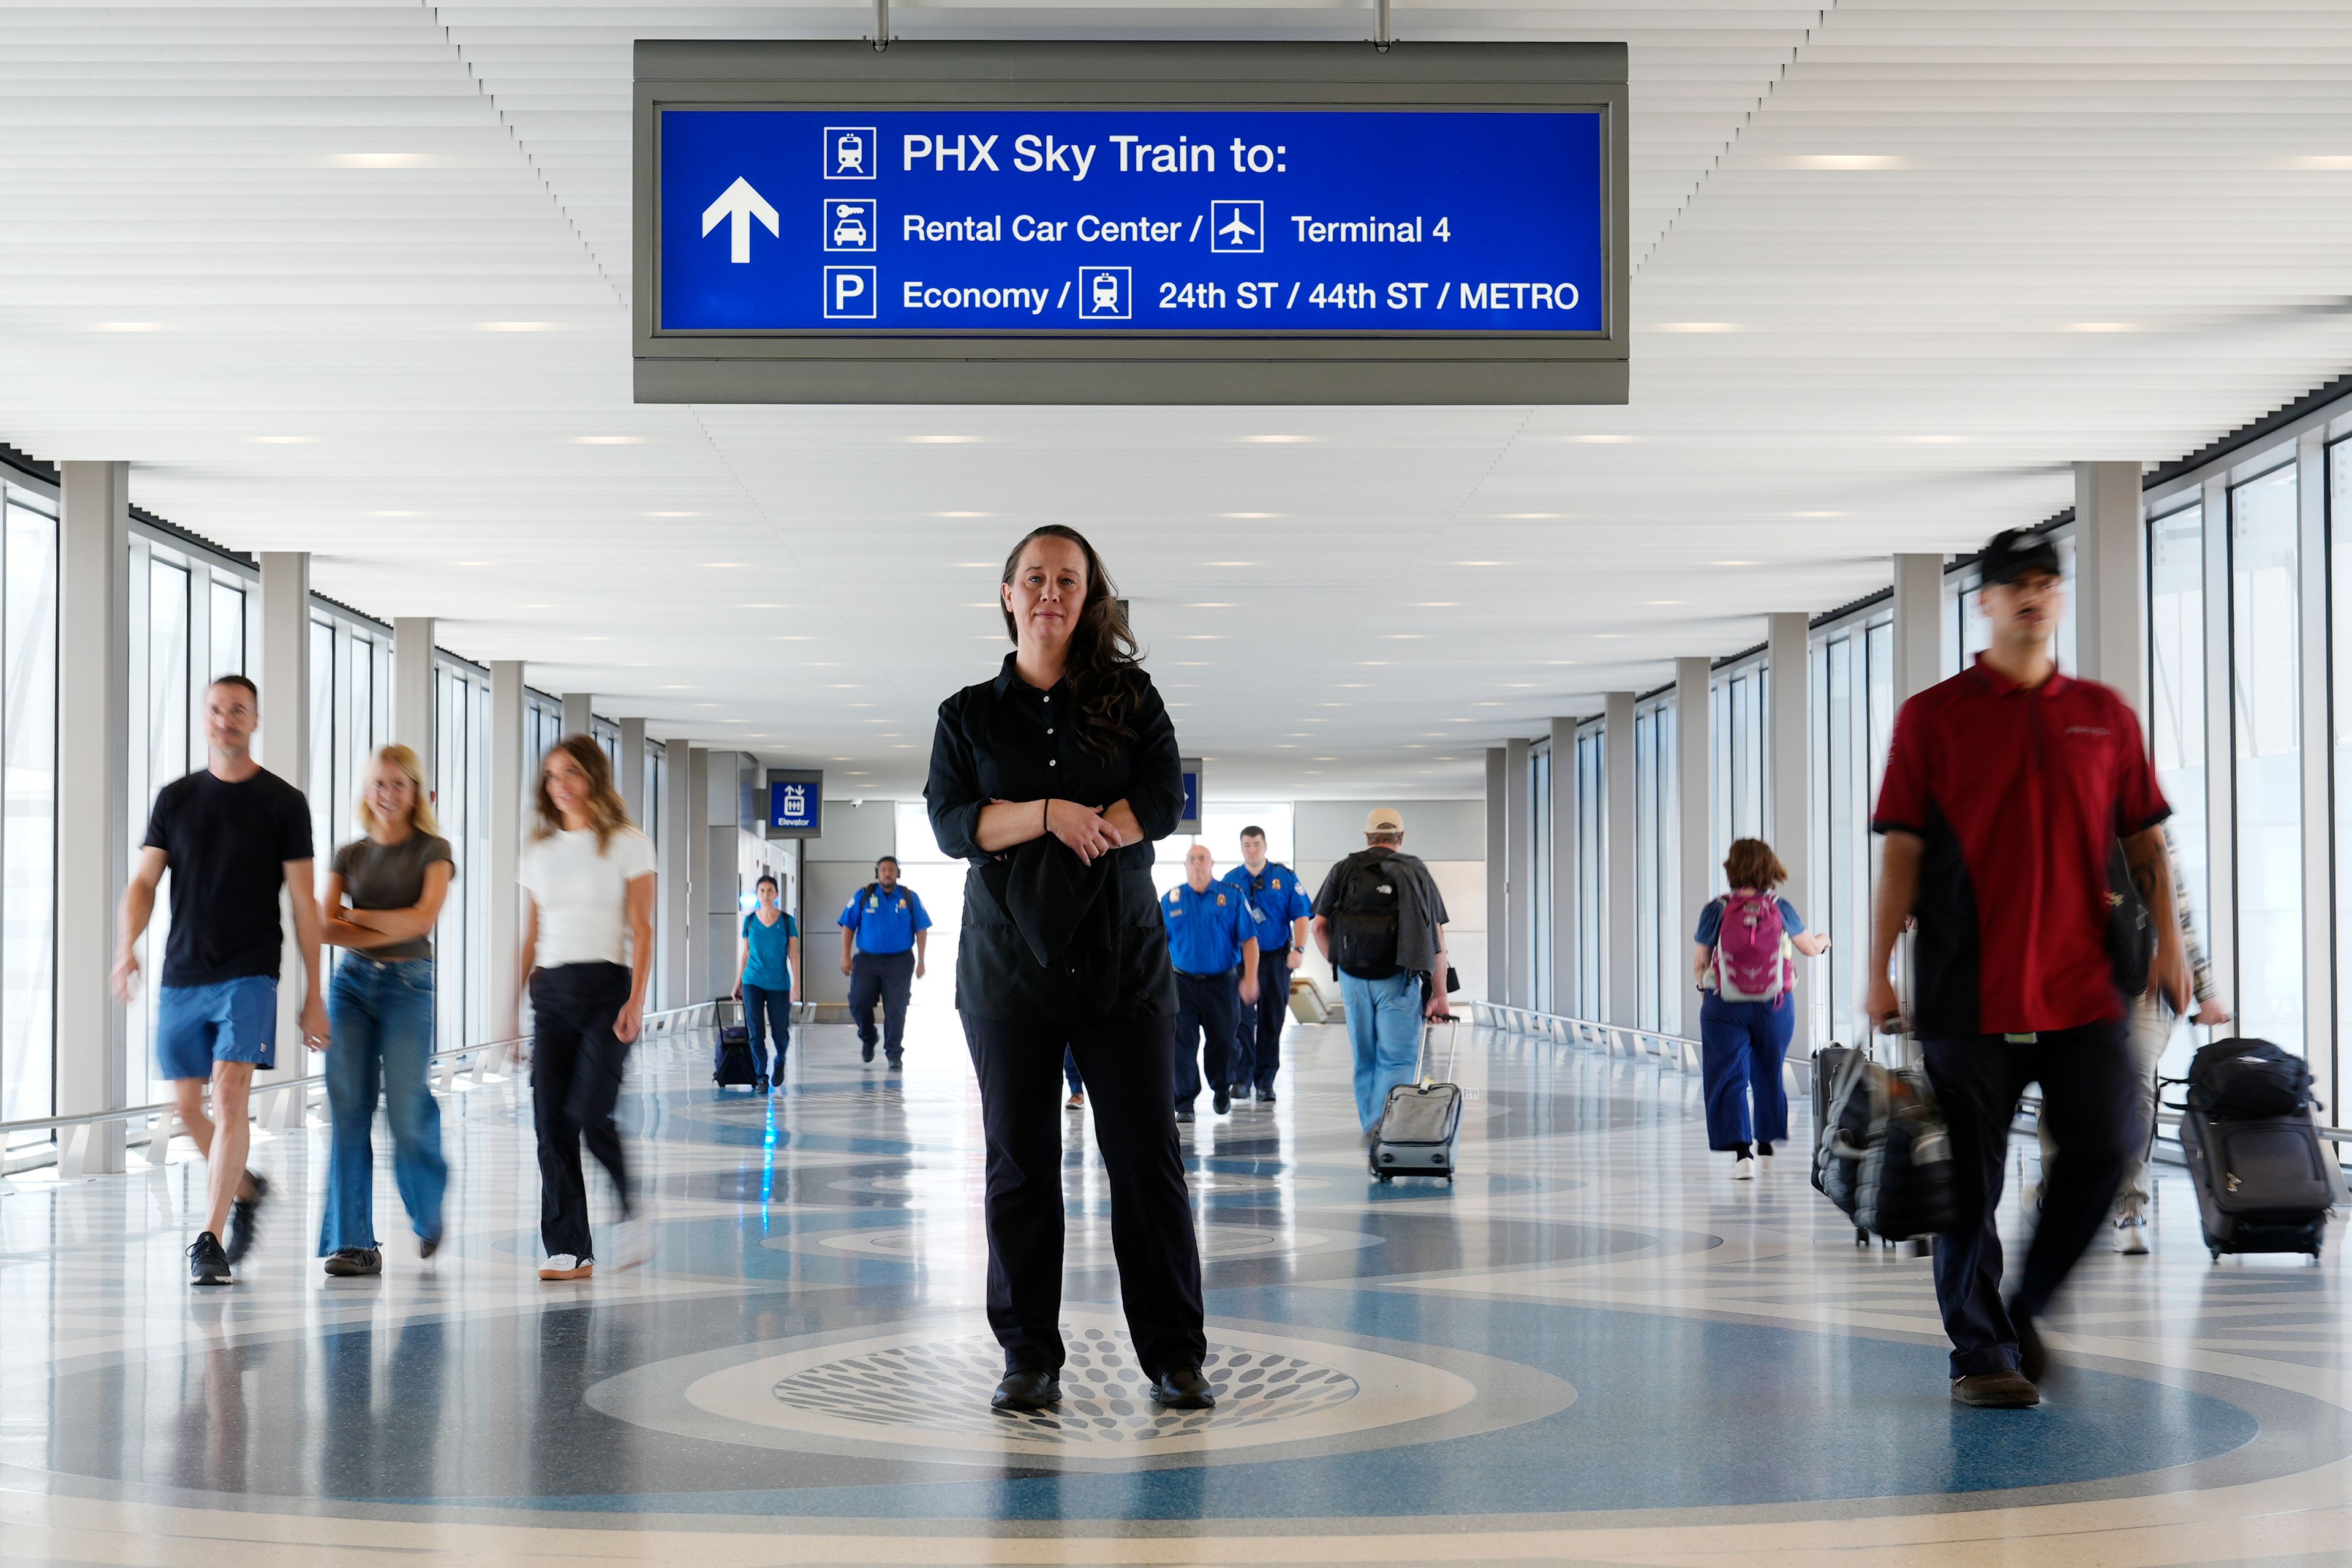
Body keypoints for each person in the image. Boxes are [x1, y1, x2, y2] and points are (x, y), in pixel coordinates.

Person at [1868, 527, 2185, 1410]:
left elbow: (2144, 837)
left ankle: (2027, 1305)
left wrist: (2167, 945)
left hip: (2085, 990)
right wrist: (1877, 969)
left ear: (2058, 597)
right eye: (2016, 585)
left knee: (2112, 1142)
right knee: (1967, 1186)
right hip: (1965, 992)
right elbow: (1901, 851)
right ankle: (1982, 1354)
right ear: (1987, 602)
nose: (2033, 597)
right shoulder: (1933, 716)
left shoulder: (2105, 715)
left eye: (2047, 582)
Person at [925, 523, 1211, 1415]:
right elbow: (951, 824)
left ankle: (1175, 1356)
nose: (1051, 592)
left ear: (1088, 598)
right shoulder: (966, 714)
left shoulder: (1131, 697)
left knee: (1145, 1158)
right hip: (1008, 971)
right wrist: (1052, 812)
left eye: (1069, 580)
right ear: (1007, 595)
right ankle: (1028, 1357)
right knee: (1019, 1166)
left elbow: (1163, 800)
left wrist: (1086, 823)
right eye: (1035, 578)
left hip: (1122, 965)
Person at [114, 674, 327, 1287]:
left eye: (238, 710)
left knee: (229, 1095)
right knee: (185, 1106)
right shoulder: (176, 798)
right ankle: (250, 1188)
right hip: (183, 971)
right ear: (204, 718)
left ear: (254, 719)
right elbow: (145, 882)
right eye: (216, 710)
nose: (226, 720)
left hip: (251, 970)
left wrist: (313, 993)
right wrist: (125, 946)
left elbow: (306, 902)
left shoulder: (283, 802)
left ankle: (209, 1237)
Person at [2035, 825, 2229, 1254]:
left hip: (2145, 982)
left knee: (2136, 1077)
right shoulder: (2057, 822)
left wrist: (2205, 990)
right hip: (2075, 982)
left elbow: (2179, 913)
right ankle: (2059, 1191)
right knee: (2064, 1084)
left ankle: (2130, 1206)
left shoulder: (2148, 829)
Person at [512, 735, 658, 1283]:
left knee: (590, 1113)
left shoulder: (628, 844)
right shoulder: (538, 850)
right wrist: (512, 1009)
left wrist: (636, 1000)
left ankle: (632, 1209)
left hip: (607, 991)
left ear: (594, 776)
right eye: (552, 776)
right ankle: (570, 1249)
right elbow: (531, 934)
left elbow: (643, 930)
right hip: (550, 993)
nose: (561, 785)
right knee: (550, 1123)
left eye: (571, 773)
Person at [317, 744, 455, 1276]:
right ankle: (354, 1243)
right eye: (380, 783)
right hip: (351, 987)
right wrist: (381, 922)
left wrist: (358, 916)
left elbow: (423, 922)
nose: (388, 794)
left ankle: (426, 1213)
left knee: (406, 1109)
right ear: (367, 790)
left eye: (399, 784)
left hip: (408, 986)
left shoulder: (434, 850)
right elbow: (325, 926)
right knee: (348, 1111)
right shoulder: (349, 854)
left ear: (416, 792)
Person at [1689, 838, 1830, 1181]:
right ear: (1770, 869)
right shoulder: (1781, 907)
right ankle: (1766, 1143)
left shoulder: (1717, 908)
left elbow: (1700, 962)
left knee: (1728, 1076)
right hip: (1774, 1004)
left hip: (1725, 1005)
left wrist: (1705, 993)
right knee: (1769, 1070)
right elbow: (1810, 948)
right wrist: (1825, 941)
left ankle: (1742, 1155)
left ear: (1731, 869)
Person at [1312, 807, 1455, 1140]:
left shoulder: (1344, 869)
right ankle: (1385, 1125)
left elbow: (1318, 926)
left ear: (1367, 837)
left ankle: (1370, 1124)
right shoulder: (1415, 871)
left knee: (1366, 1058)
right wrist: (1440, 995)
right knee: (1397, 1059)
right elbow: (1436, 940)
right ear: (1400, 839)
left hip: (1354, 979)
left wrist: (1340, 964)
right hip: (1399, 978)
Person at [1163, 843, 1261, 1122]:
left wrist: (1250, 977)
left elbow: (1249, 940)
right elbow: (1158, 945)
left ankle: (1222, 1086)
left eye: (1202, 859)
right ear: (1185, 865)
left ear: (1211, 863)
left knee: (1224, 1043)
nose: (1197, 863)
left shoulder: (1231, 897)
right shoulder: (1171, 900)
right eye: (1192, 859)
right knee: (1181, 1046)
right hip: (1182, 984)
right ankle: (1184, 1104)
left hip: (1223, 984)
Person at [1223, 825, 1311, 1106]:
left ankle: (1265, 1082)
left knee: (1272, 1020)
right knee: (1241, 1020)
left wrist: (1298, 949)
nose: (1252, 850)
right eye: (1247, 845)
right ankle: (1242, 1078)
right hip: (1241, 961)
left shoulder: (1283, 878)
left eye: (1257, 844)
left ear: (1265, 846)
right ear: (1241, 848)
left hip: (1275, 959)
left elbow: (1301, 916)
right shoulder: (1230, 880)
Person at [837, 855, 931, 1069]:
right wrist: (845, 956)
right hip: (867, 961)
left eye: (891, 870)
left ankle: (894, 1054)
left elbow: (921, 929)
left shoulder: (909, 897)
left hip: (900, 962)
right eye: (883, 870)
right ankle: (869, 1037)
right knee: (859, 1002)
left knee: (897, 1009)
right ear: (877, 873)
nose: (887, 873)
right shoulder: (864, 895)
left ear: (898, 873)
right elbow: (848, 927)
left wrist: (922, 961)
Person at [734, 873, 800, 1088]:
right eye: (762, 891)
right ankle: (761, 1076)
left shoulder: (787, 921)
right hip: (752, 981)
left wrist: (796, 984)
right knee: (756, 1031)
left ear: (777, 894)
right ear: (757, 894)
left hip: (779, 984)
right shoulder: (750, 920)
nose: (766, 894)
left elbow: (794, 955)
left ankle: (779, 1060)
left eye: (770, 891)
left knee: (780, 1032)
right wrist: (738, 983)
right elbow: (745, 953)